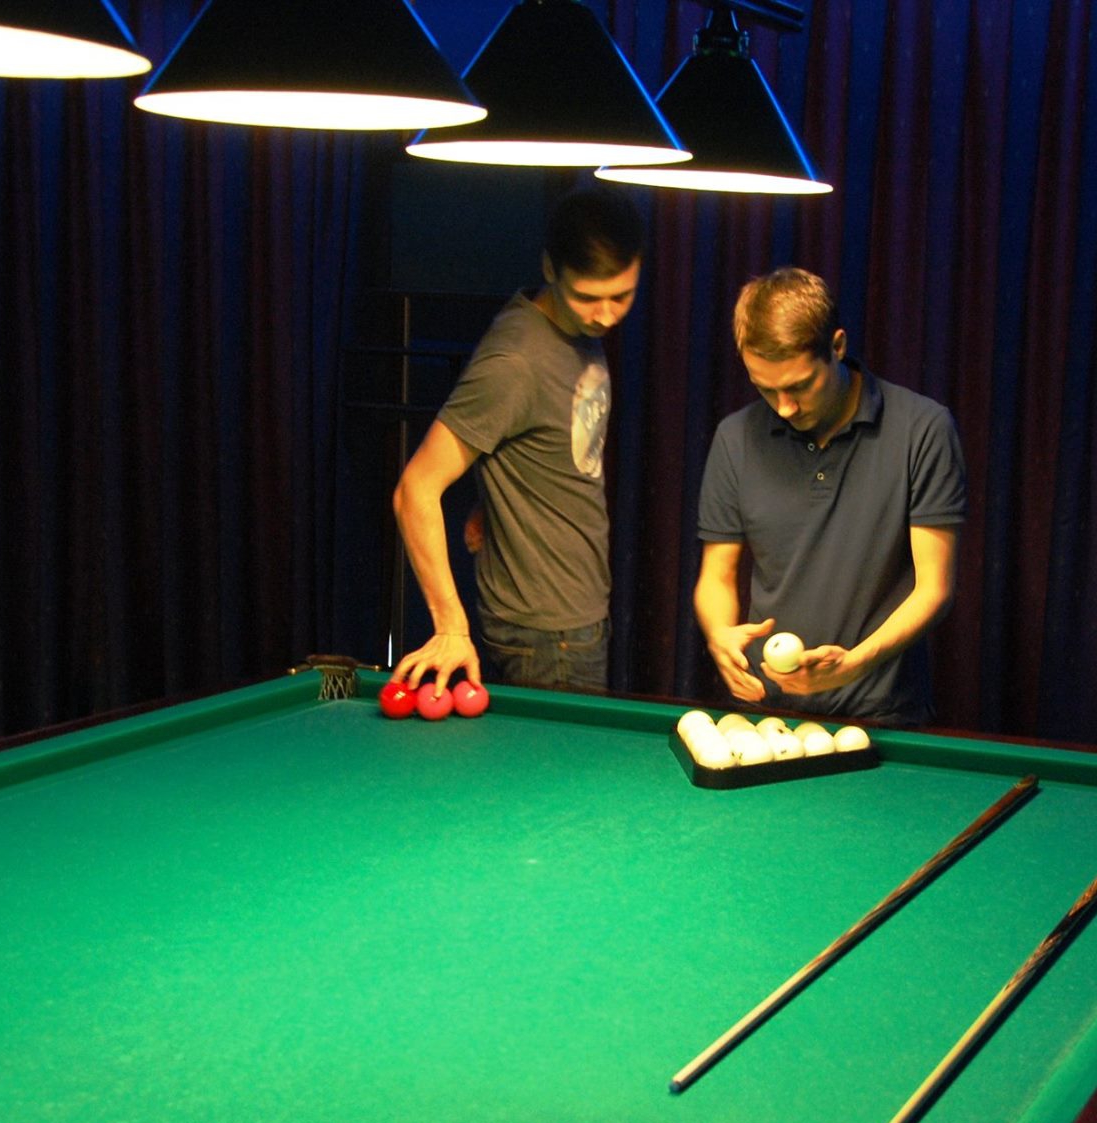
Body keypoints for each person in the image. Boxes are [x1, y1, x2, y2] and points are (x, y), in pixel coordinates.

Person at [390, 186, 644, 698]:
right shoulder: (515, 361)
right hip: (546, 638)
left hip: (570, 620)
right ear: (550, 268)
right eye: (588, 298)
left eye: (621, 296)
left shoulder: (570, 328)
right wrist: (450, 627)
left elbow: (533, 437)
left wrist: (495, 496)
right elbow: (415, 488)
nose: (606, 315)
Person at [694, 267, 966, 726]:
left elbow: (934, 588)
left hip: (882, 714)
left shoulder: (922, 429)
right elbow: (716, 577)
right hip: (766, 712)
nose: (784, 407)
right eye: (765, 388)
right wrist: (719, 634)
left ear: (837, 346)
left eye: (799, 386)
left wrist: (855, 664)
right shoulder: (734, 437)